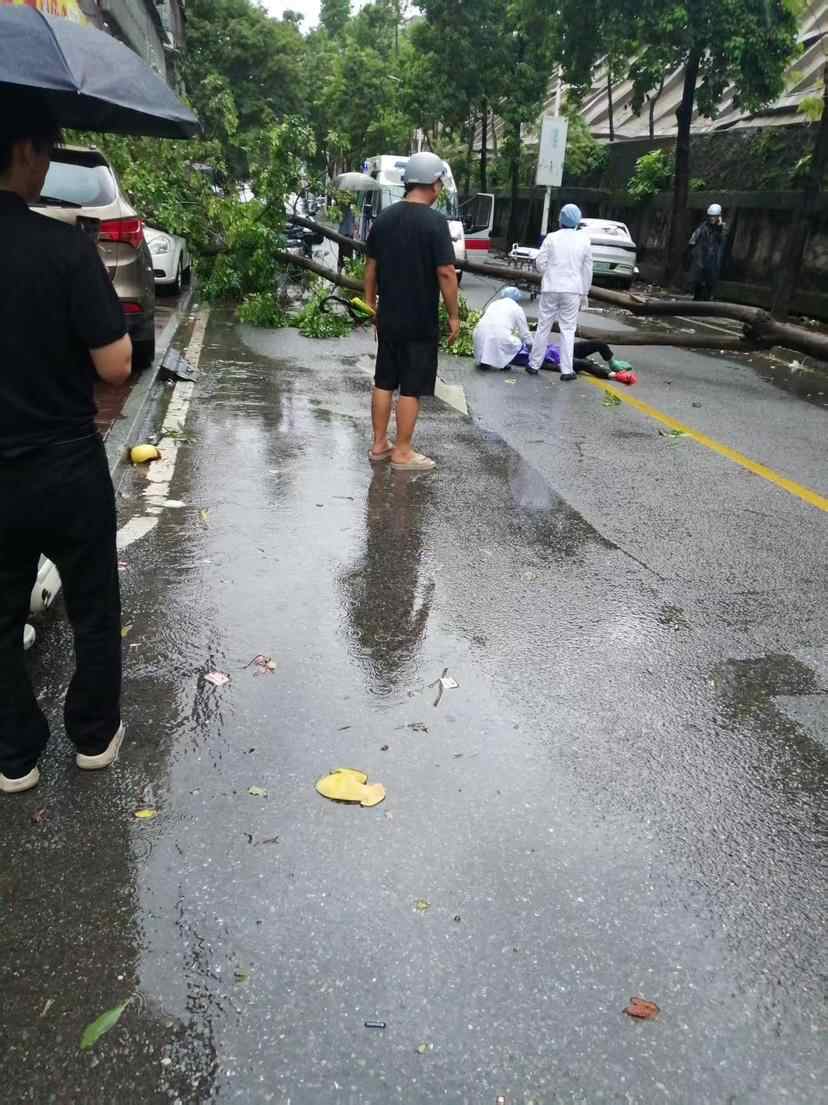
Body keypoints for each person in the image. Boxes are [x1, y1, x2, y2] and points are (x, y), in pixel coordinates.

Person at [0, 93, 133, 794]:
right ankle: (93, 736)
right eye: (47, 151)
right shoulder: (65, 249)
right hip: (65, 464)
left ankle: (14, 754)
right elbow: (116, 366)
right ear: (24, 150)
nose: (47, 165)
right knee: (93, 604)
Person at [363, 151, 460, 472]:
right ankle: (402, 451)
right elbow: (446, 272)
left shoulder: (384, 219)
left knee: (384, 380)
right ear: (433, 183)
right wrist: (454, 315)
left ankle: (379, 444)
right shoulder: (435, 223)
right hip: (419, 320)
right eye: (440, 183)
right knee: (411, 385)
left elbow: (370, 268)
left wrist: (370, 306)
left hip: (388, 316)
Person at [527, 203, 592, 380]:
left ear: (560, 220)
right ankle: (566, 370)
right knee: (568, 330)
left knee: (543, 326)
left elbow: (540, 263)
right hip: (572, 290)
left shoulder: (551, 238)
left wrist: (550, 273)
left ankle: (534, 365)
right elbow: (587, 270)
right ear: (577, 221)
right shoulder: (584, 240)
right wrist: (585, 293)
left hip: (551, 287)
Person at [473, 287, 532, 370]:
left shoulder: (494, 303)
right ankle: (503, 362)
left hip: (478, 334)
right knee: (517, 343)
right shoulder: (517, 309)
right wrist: (531, 348)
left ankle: (484, 361)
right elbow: (524, 333)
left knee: (490, 338)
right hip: (498, 337)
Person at [687, 203, 726, 301]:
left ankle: (708, 297)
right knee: (698, 279)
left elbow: (723, 240)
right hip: (702, 256)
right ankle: (697, 297)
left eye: (714, 216)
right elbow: (693, 240)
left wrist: (719, 227)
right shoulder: (703, 227)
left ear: (718, 216)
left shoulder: (722, 228)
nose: (712, 218)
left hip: (713, 258)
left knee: (710, 280)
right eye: (711, 216)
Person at [337, 199, 355, 271]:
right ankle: (343, 271)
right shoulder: (342, 210)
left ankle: (341, 271)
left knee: (342, 254)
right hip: (346, 234)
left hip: (344, 234)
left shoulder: (342, 210)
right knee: (345, 254)